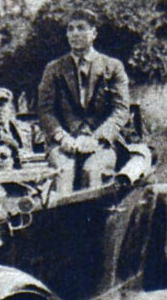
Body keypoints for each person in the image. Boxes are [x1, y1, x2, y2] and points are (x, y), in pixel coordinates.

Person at [37, 10, 130, 193]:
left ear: (94, 34)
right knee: (62, 173)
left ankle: (94, 222)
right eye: (70, 29)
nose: (74, 34)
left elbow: (121, 110)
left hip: (101, 143)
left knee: (92, 171)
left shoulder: (113, 67)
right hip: (64, 143)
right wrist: (62, 137)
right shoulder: (54, 69)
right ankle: (61, 222)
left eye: (81, 28)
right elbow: (45, 110)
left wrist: (96, 138)